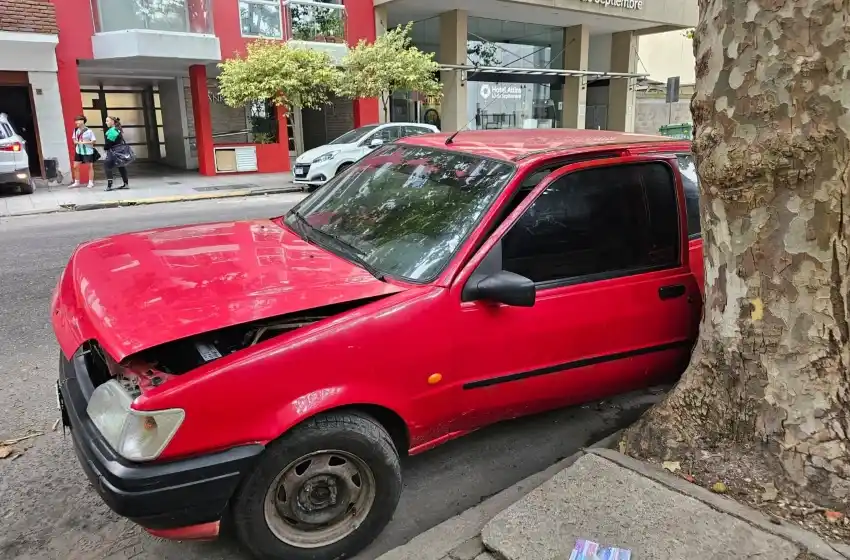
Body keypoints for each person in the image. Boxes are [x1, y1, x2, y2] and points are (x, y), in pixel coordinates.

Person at [103, 116, 129, 191]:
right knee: (121, 166)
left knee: (107, 165)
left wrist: (105, 148)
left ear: (112, 122)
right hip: (119, 151)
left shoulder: (112, 131)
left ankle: (109, 185)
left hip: (113, 152)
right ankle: (126, 183)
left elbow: (109, 143)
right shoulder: (117, 129)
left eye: (107, 121)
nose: (106, 122)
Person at [70, 115, 96, 188]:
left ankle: (90, 182)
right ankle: (76, 182)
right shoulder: (75, 130)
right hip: (78, 150)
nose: (76, 122)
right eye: (76, 121)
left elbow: (93, 141)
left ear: (82, 121)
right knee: (75, 166)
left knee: (89, 166)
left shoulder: (89, 131)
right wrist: (77, 142)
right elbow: (74, 140)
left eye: (77, 120)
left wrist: (85, 142)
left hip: (88, 151)